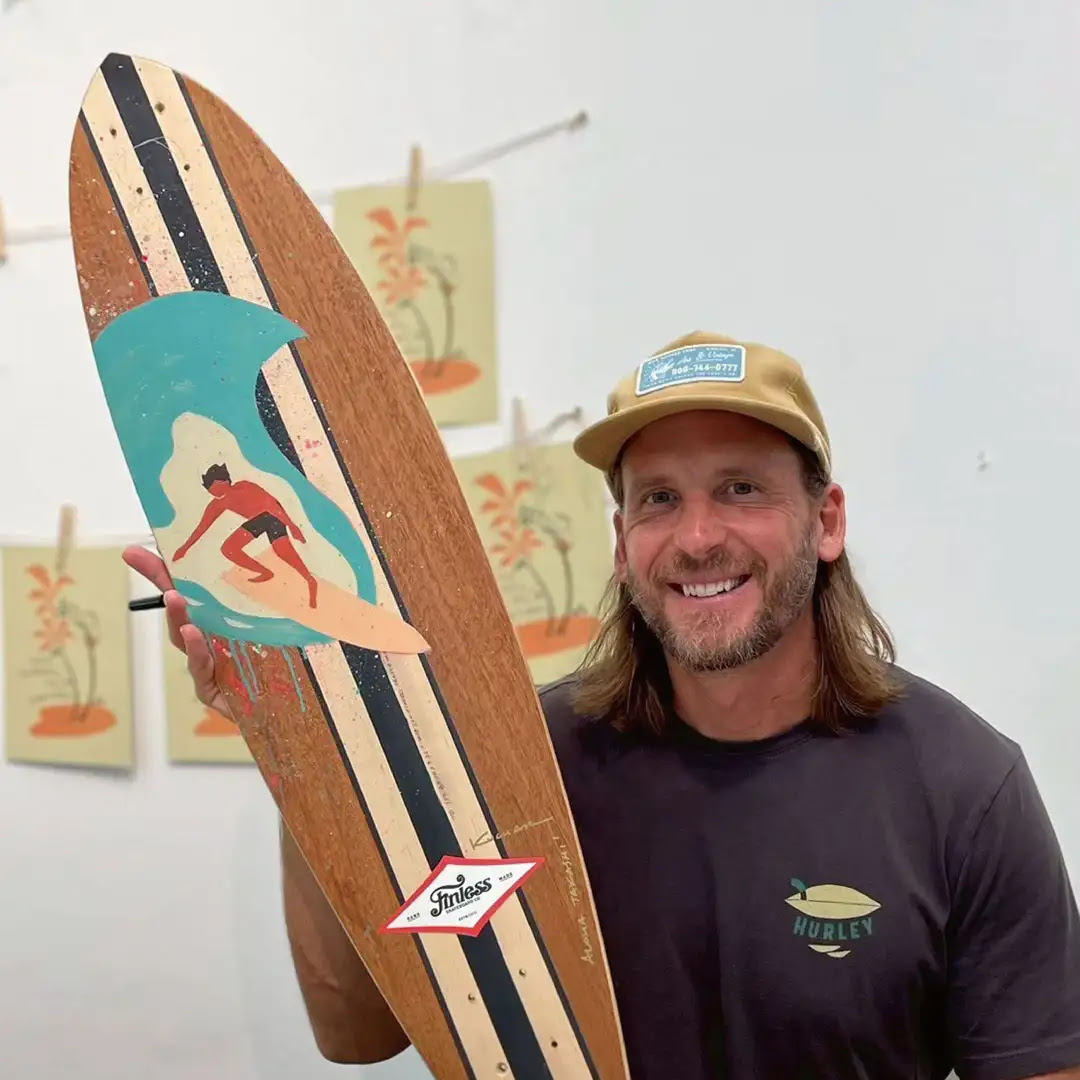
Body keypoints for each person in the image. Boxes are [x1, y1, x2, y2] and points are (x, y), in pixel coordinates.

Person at [125, 330, 1080, 1079]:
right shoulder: (526, 768)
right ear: (623, 544)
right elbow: (362, 1031)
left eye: (740, 488)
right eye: (658, 500)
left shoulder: (959, 786)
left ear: (825, 521)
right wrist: (297, 737)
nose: (696, 537)